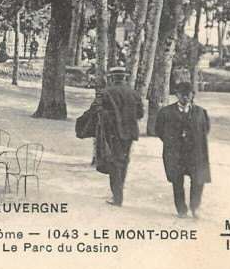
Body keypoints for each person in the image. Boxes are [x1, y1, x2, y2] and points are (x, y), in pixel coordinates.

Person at [86, 66, 143, 207]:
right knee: (123, 161)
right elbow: (140, 113)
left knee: (113, 163)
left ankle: (117, 197)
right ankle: (118, 193)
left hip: (111, 132)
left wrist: (107, 117)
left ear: (111, 78)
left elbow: (95, 108)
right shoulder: (134, 93)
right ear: (124, 78)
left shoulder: (105, 92)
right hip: (129, 133)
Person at [155, 81, 211, 219]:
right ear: (177, 95)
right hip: (176, 153)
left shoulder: (201, 112)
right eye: (182, 94)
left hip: (194, 153)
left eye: (188, 94)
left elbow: (205, 130)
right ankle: (181, 209)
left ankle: (195, 207)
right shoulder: (166, 112)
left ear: (192, 95)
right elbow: (159, 130)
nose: (185, 97)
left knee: (198, 181)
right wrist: (171, 142)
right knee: (177, 181)